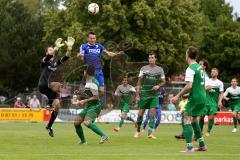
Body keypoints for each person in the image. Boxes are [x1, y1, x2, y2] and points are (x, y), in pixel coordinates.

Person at [172, 47, 207, 152]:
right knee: (193, 119)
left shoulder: (190, 68)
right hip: (202, 97)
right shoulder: (200, 67)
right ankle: (202, 145)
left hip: (195, 98)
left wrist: (177, 95)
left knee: (186, 117)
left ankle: (189, 147)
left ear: (187, 55)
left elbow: (190, 85)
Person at [38, 37, 75, 137]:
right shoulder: (45, 60)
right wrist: (55, 48)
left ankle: (49, 126)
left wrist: (69, 48)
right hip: (43, 85)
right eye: (49, 50)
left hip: (51, 89)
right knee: (59, 85)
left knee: (58, 106)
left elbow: (66, 57)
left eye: (52, 49)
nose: (51, 51)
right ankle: (49, 104)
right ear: (46, 52)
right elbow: (48, 57)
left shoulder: (55, 63)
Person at [77, 32, 119, 104]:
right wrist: (79, 56)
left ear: (95, 39)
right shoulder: (84, 46)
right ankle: (86, 102)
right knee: (91, 90)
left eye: (94, 38)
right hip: (89, 72)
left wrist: (115, 54)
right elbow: (81, 58)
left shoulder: (99, 46)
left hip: (99, 71)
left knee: (102, 91)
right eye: (91, 38)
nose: (92, 40)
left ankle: (93, 101)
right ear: (88, 38)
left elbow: (108, 53)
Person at [74, 65, 109, 144]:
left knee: (86, 122)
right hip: (89, 106)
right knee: (76, 122)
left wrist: (83, 101)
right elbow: (90, 94)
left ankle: (104, 136)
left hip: (95, 106)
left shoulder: (93, 83)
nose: (83, 72)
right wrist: (80, 93)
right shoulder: (88, 82)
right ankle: (83, 141)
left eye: (84, 71)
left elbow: (96, 97)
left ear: (86, 72)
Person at [134, 53, 165, 139]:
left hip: (155, 95)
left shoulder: (160, 69)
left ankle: (150, 133)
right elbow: (139, 81)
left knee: (152, 113)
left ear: (155, 59)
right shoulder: (143, 69)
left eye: (152, 57)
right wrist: (137, 94)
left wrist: (158, 86)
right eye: (149, 58)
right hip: (144, 94)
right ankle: (138, 131)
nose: (150, 59)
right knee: (141, 113)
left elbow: (163, 81)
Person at [200, 68, 224, 136]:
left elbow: (221, 93)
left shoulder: (220, 83)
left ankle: (208, 131)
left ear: (217, 73)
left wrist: (220, 101)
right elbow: (202, 90)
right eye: (211, 71)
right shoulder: (207, 81)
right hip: (205, 101)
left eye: (214, 71)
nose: (212, 73)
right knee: (201, 116)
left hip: (214, 103)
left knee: (211, 117)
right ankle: (200, 131)